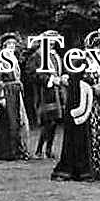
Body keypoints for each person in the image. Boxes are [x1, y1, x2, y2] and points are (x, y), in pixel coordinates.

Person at [51, 30, 100, 181]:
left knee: (97, 134)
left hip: (96, 106)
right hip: (83, 106)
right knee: (82, 136)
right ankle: (83, 168)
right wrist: (92, 89)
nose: (98, 50)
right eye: (96, 46)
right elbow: (74, 85)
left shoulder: (97, 63)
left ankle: (99, 165)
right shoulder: (80, 63)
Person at [0, 32, 31, 161]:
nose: (12, 46)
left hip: (15, 92)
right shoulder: (1, 58)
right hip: (8, 91)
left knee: (15, 121)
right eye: (9, 44)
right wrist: (1, 97)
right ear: (4, 45)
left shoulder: (13, 58)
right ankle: (7, 151)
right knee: (9, 122)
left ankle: (16, 149)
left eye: (13, 44)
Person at [31, 30, 66, 159]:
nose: (51, 44)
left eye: (53, 41)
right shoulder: (37, 56)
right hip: (44, 93)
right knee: (47, 122)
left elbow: (60, 70)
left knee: (55, 121)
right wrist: (49, 79)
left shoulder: (55, 56)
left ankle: (49, 150)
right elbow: (32, 74)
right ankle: (39, 150)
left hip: (57, 93)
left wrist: (64, 76)